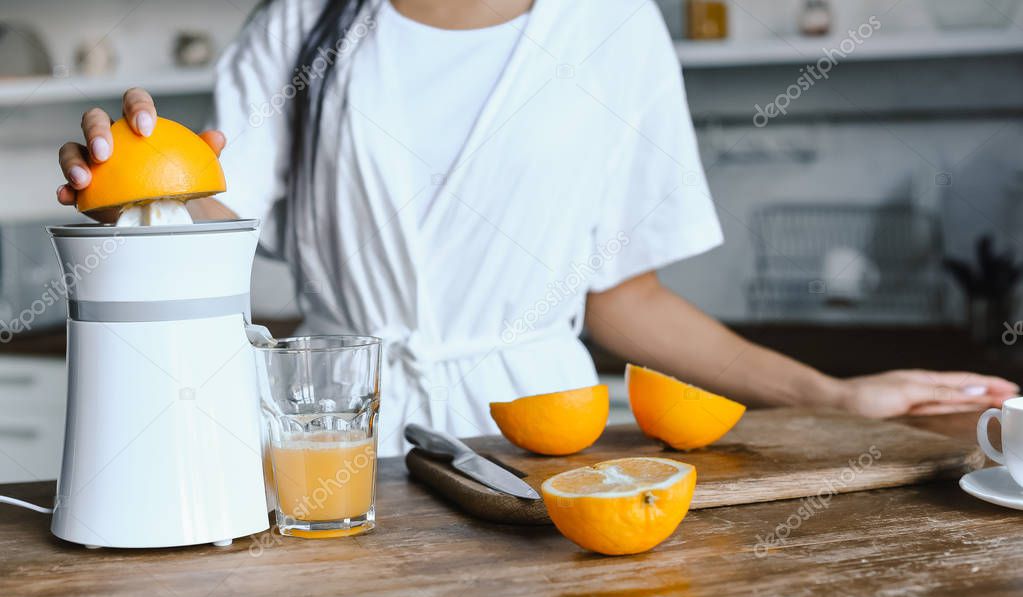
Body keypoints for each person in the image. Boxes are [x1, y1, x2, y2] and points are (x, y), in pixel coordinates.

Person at [56, 0, 1017, 455]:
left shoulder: (611, 27)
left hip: (545, 445)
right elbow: (214, 232)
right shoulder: (302, 25)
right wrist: (141, 191)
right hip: (339, 442)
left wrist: (828, 394)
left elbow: (620, 296)